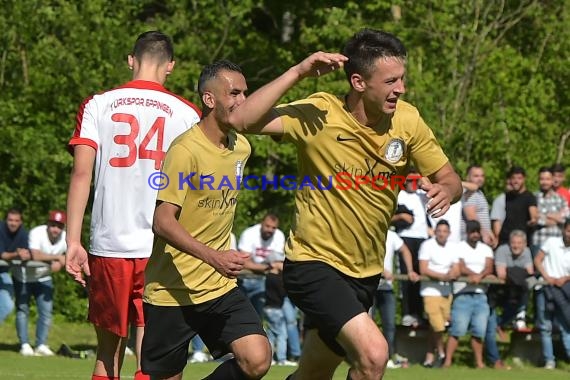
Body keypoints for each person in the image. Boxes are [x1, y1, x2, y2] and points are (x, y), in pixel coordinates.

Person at [227, 28, 462, 380]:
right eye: (391, 81)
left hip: (365, 273)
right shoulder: (319, 113)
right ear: (358, 82)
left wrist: (447, 189)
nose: (401, 89)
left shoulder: (408, 120)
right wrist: (298, 72)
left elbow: (451, 179)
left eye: (402, 79)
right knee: (374, 356)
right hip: (313, 264)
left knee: (313, 374)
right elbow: (239, 119)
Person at [65, 31, 201, 380]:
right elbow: (196, 188)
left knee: (107, 353)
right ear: (170, 65)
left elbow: (82, 174)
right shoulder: (188, 113)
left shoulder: (98, 103)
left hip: (110, 243)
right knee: (152, 357)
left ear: (131, 59)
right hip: (161, 245)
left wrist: (73, 242)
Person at [141, 60, 271, 380]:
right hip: (171, 291)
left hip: (218, 288)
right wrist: (214, 257)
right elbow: (162, 221)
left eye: (245, 93)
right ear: (209, 99)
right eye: (234, 93)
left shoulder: (242, 146)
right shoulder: (185, 150)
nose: (242, 101)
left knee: (257, 359)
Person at [13, 210, 67, 356]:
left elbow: (68, 257)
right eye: (53, 225)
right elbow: (35, 254)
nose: (56, 229)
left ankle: (40, 345)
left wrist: (61, 263)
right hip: (24, 277)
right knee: (22, 310)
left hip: (44, 278)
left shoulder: (65, 238)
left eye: (59, 226)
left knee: (46, 312)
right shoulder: (37, 232)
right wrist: (56, 259)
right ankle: (24, 344)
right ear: (48, 224)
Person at [443, 220, 493, 369]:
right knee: (457, 330)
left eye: (477, 232)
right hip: (462, 293)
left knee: (479, 331)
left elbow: (489, 267)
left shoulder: (486, 249)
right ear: (467, 233)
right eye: (472, 232)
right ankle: (447, 361)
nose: (475, 234)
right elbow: (461, 266)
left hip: (481, 294)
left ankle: (479, 363)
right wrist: (475, 275)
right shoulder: (460, 247)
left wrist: (479, 276)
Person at [485, 229, 534, 369]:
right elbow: (501, 274)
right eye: (514, 243)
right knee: (490, 327)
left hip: (513, 296)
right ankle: (495, 361)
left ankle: (496, 357)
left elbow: (530, 275)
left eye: (519, 243)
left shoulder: (527, 252)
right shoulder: (502, 250)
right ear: (509, 243)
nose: (516, 246)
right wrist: (520, 275)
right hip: (497, 293)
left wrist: (512, 274)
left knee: (496, 324)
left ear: (525, 244)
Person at [373, 229, 419, 368]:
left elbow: (404, 250)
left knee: (390, 326)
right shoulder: (370, 230)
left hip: (386, 288)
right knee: (368, 324)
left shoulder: (392, 236)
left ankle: (388, 357)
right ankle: (365, 357)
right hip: (369, 287)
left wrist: (410, 270)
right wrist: (381, 270)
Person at [418, 220, 459, 368]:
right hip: (430, 291)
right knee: (438, 326)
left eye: (444, 231)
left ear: (449, 233)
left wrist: (453, 273)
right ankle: (442, 353)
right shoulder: (427, 245)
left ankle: (429, 357)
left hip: (447, 293)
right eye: (439, 231)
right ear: (435, 231)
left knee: (437, 327)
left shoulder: (453, 247)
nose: (441, 234)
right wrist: (442, 277)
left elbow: (457, 268)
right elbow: (423, 269)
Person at [533, 219, 570, 369]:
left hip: (564, 291)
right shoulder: (551, 242)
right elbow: (538, 260)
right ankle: (549, 360)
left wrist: (565, 278)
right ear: (563, 230)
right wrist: (547, 277)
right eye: (568, 230)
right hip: (545, 288)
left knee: (566, 326)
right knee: (545, 326)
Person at [396, 171, 430, 327]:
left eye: (416, 180)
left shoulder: (421, 195)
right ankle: (407, 313)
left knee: (421, 276)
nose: (413, 183)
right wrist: (401, 217)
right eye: (410, 180)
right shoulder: (399, 195)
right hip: (406, 236)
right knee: (407, 276)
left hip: (423, 238)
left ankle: (420, 312)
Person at [238, 213, 286, 316]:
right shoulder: (249, 233)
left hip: (263, 281)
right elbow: (244, 262)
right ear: (261, 224)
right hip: (245, 279)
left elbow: (279, 262)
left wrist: (262, 267)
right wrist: (267, 267)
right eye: (267, 226)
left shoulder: (279, 235)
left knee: (258, 317)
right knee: (242, 315)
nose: (270, 230)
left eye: (273, 228)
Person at [492, 166, 538, 247]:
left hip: (522, 243)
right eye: (513, 178)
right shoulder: (505, 197)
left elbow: (533, 215)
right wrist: (497, 236)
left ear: (524, 179)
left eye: (519, 178)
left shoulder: (530, 197)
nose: (516, 181)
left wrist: (533, 220)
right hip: (504, 241)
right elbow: (497, 222)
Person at [0, 208, 30, 325]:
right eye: (10, 220)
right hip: (4, 270)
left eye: (16, 220)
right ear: (6, 220)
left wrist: (24, 255)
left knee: (7, 305)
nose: (13, 223)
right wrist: (17, 254)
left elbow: (26, 253)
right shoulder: (0, 229)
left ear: (20, 222)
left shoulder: (23, 233)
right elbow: (2, 255)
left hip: (3, 272)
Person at [461, 165, 496, 247]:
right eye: (476, 176)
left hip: (480, 238)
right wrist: (484, 234)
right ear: (468, 177)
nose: (480, 179)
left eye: (482, 176)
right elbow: (471, 217)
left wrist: (489, 232)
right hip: (473, 240)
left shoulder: (478, 192)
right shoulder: (470, 193)